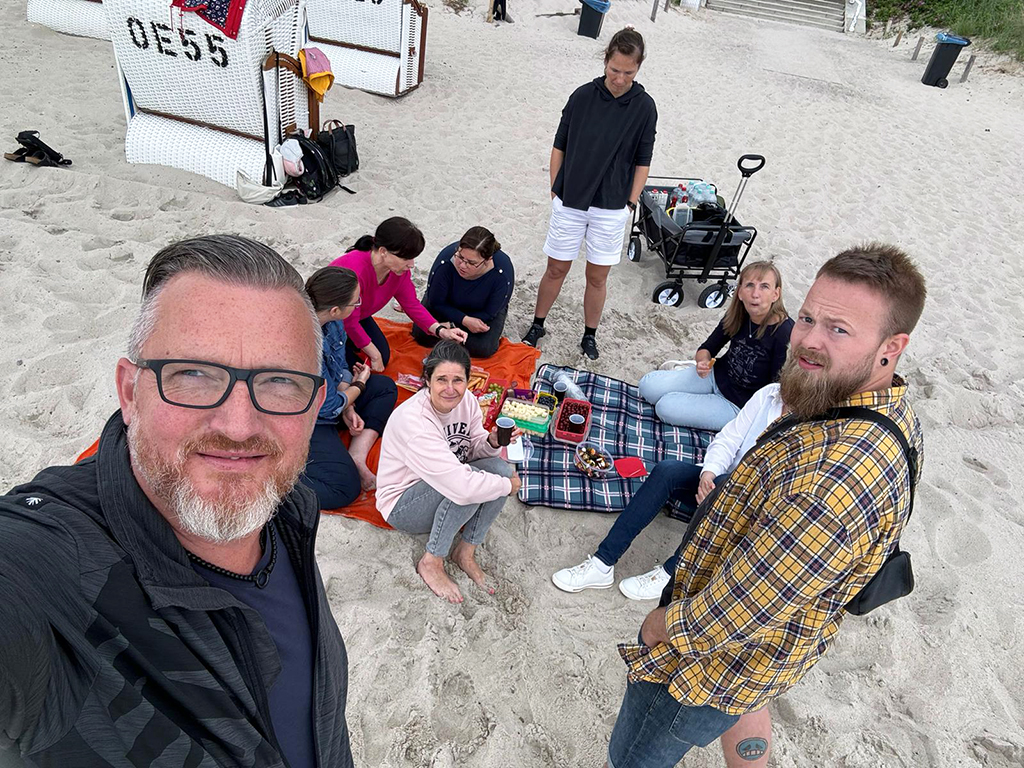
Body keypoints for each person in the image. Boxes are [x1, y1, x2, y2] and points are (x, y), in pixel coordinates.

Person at [0, 236, 353, 767]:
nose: (238, 427)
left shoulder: (290, 510)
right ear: (129, 391)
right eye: (192, 374)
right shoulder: (43, 567)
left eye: (280, 381)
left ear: (315, 405)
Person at [606, 243, 926, 768]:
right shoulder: (883, 407)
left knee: (632, 757)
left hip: (708, 666)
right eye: (806, 318)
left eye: (838, 329)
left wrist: (657, 627)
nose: (808, 341)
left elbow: (727, 617)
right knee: (745, 703)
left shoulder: (833, 484)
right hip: (779, 641)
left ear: (891, 347)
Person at [552, 382, 785, 601]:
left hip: (747, 513)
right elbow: (728, 439)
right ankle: (602, 563)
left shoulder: (808, 431)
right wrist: (708, 473)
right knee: (668, 471)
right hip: (716, 486)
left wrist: (722, 485)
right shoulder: (770, 393)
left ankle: (670, 574)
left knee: (725, 484)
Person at [521, 27, 657, 360]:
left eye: (628, 72)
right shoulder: (582, 96)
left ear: (638, 68)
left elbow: (643, 160)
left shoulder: (644, 107)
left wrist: (630, 202)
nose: (620, 78)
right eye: (615, 70)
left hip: (611, 206)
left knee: (597, 277)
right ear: (606, 60)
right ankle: (538, 324)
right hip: (570, 200)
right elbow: (559, 145)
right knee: (556, 268)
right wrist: (556, 189)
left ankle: (589, 334)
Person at [375, 341, 521, 604]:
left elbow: (471, 449)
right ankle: (432, 559)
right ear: (427, 380)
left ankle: (465, 551)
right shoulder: (415, 422)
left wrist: (492, 442)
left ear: (468, 381)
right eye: (442, 379)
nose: (450, 389)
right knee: (479, 485)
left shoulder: (468, 402)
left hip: (443, 480)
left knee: (498, 469)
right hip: (403, 505)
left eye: (458, 380)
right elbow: (461, 486)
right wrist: (507, 487)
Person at [639, 260, 793, 431]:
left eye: (764, 286)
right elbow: (707, 348)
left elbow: (777, 390)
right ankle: (686, 371)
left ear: (776, 294)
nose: (755, 294)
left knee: (665, 407)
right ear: (740, 292)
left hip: (736, 405)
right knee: (648, 386)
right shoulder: (739, 314)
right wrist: (702, 362)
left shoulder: (784, 333)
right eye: (749, 285)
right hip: (714, 376)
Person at [302, 266, 398, 506]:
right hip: (308, 418)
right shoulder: (305, 342)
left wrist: (349, 404)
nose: (359, 306)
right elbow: (327, 407)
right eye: (355, 303)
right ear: (335, 309)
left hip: (332, 398)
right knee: (344, 489)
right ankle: (270, 483)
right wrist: (358, 386)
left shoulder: (333, 322)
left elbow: (340, 366)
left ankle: (357, 454)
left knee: (385, 387)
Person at [330, 216, 468, 372]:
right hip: (332, 319)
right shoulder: (356, 271)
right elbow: (348, 322)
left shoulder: (398, 272)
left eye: (413, 258)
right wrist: (374, 356)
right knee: (348, 368)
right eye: (406, 258)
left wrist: (440, 331)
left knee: (383, 356)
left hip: (358, 315)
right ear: (383, 252)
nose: (411, 264)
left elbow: (411, 304)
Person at [411, 226, 515, 358]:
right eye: (460, 257)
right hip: (445, 305)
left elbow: (490, 312)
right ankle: (453, 334)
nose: (462, 265)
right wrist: (462, 321)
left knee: (484, 348)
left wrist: (452, 325)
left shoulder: (502, 273)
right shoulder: (445, 262)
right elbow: (436, 301)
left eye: (471, 263)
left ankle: (450, 335)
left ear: (487, 260)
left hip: (480, 313)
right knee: (421, 333)